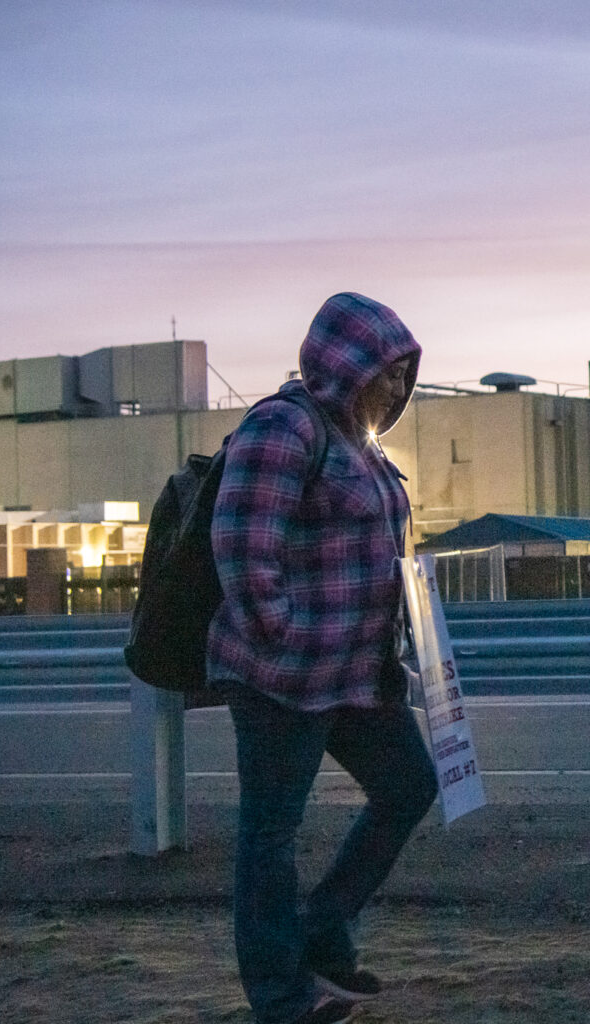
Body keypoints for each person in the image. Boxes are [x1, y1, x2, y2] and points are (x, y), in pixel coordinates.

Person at [210, 293, 438, 1024]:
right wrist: (279, 632)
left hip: (355, 676)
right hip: (284, 675)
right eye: (389, 371)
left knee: (408, 786)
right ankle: (281, 993)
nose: (398, 388)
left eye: (406, 374)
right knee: (270, 832)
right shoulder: (284, 427)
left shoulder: (362, 445)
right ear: (348, 363)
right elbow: (244, 541)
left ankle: (323, 931)